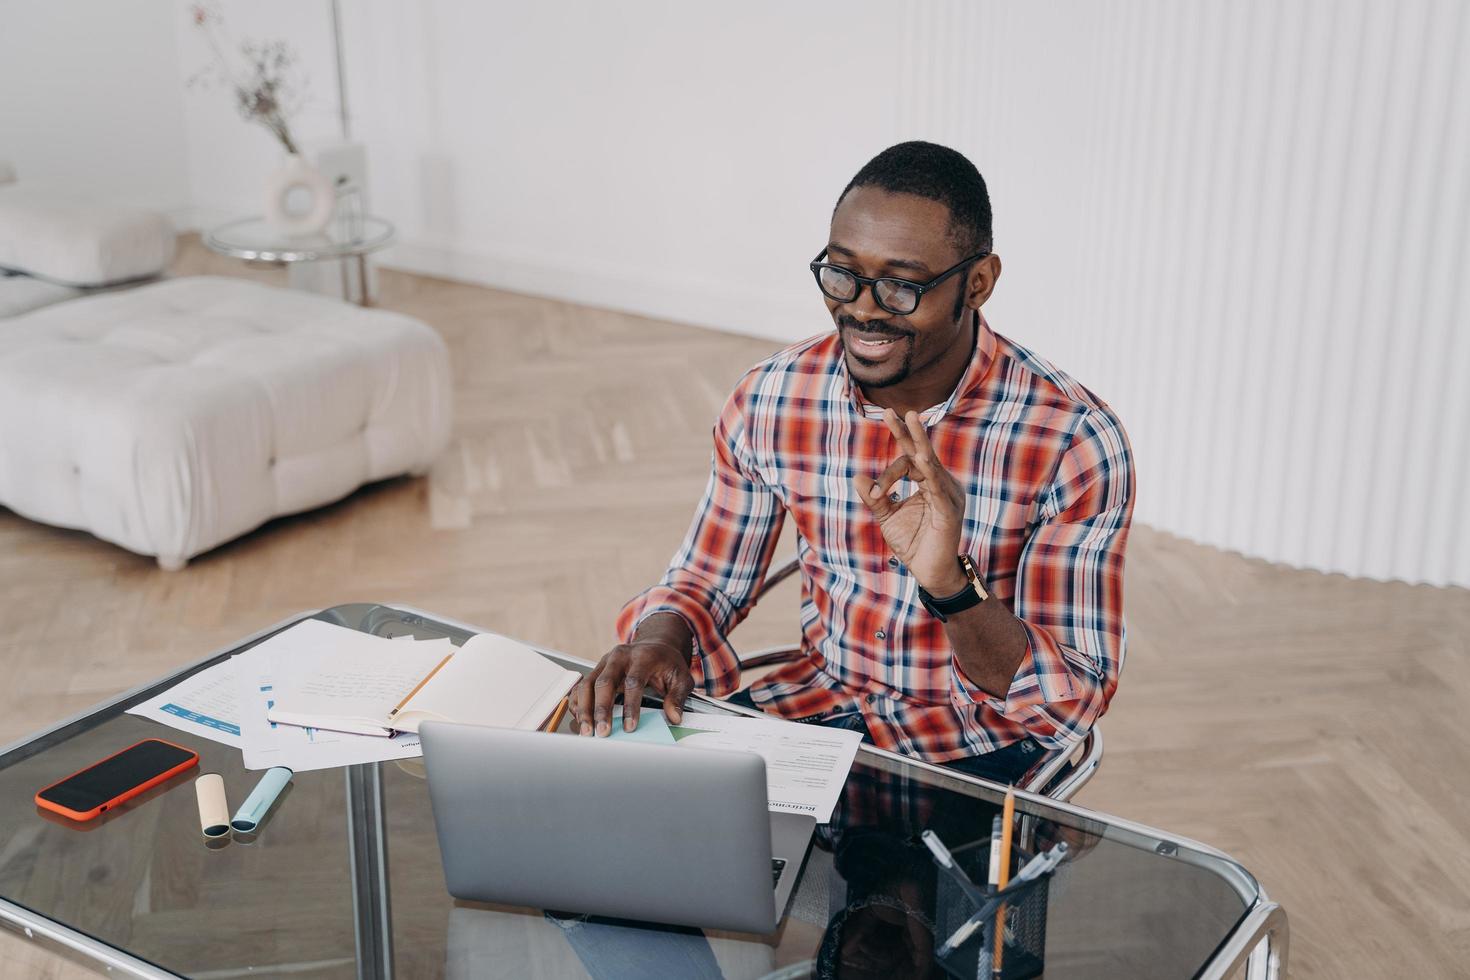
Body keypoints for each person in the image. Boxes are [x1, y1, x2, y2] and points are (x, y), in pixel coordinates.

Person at [571, 140, 1134, 784]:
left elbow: (1069, 701)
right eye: (842, 273)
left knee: (871, 888)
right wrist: (659, 642)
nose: (863, 306)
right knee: (641, 830)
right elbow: (707, 580)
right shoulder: (773, 398)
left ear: (977, 283)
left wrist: (951, 585)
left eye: (901, 285)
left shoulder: (1072, 439)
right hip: (815, 713)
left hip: (979, 749)